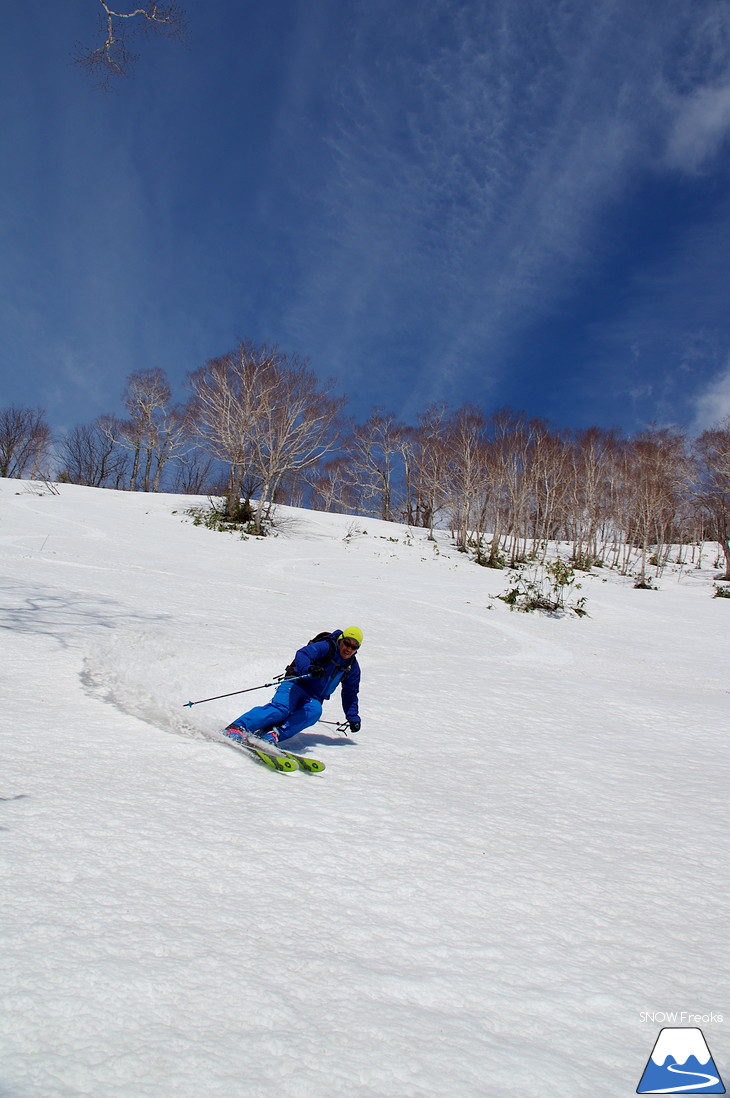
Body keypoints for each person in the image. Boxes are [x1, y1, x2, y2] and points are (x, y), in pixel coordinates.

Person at [223, 627, 363, 746]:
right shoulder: (326, 647)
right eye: (347, 643)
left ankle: (273, 734)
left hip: (314, 696)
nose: (348, 649)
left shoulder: (351, 667)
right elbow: (303, 653)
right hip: (295, 683)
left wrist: (353, 717)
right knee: (281, 709)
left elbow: (350, 692)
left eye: (354, 647)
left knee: (314, 712)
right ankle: (237, 727)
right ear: (340, 640)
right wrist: (309, 668)